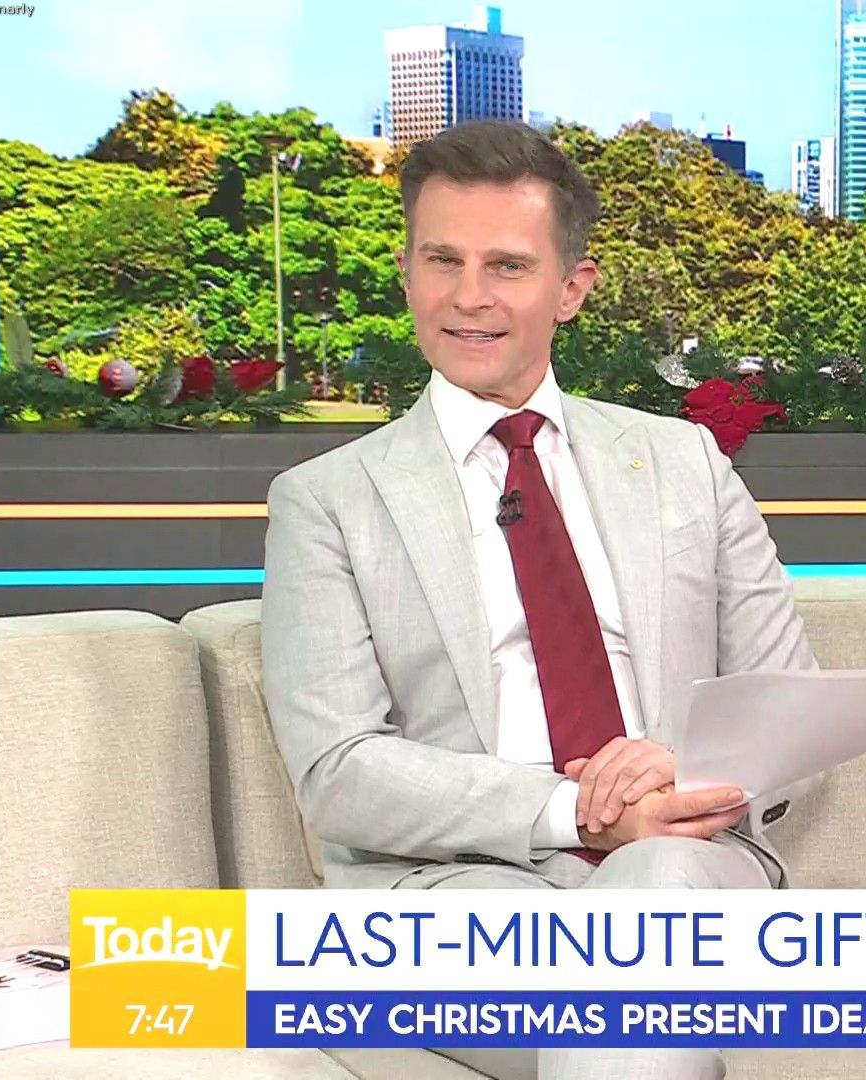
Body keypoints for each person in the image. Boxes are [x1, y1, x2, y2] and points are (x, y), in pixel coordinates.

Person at [259, 119, 816, 1080]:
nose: (468, 297)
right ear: (407, 273)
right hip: (452, 890)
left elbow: (788, 710)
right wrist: (578, 812)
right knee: (625, 1002)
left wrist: (679, 768)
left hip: (684, 865)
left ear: (571, 289)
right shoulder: (327, 501)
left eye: (508, 267)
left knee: (651, 904)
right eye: (442, 260)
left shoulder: (685, 462)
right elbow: (339, 770)